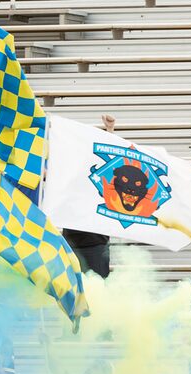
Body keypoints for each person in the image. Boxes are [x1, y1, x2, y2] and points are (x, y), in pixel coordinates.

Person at [62, 114, 115, 279]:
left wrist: (110, 130)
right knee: (72, 287)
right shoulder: (67, 175)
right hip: (71, 241)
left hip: (95, 241)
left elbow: (111, 160)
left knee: (97, 287)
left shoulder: (100, 178)